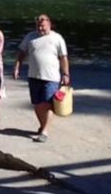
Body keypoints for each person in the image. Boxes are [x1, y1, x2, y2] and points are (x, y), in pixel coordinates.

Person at [13, 14, 70, 142]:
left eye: (43, 26)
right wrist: (17, 67)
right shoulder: (30, 37)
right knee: (37, 104)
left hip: (51, 78)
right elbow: (21, 53)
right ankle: (42, 126)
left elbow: (63, 57)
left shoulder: (57, 38)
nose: (40, 28)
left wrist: (66, 74)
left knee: (47, 103)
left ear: (49, 24)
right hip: (33, 76)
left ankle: (44, 131)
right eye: (38, 26)